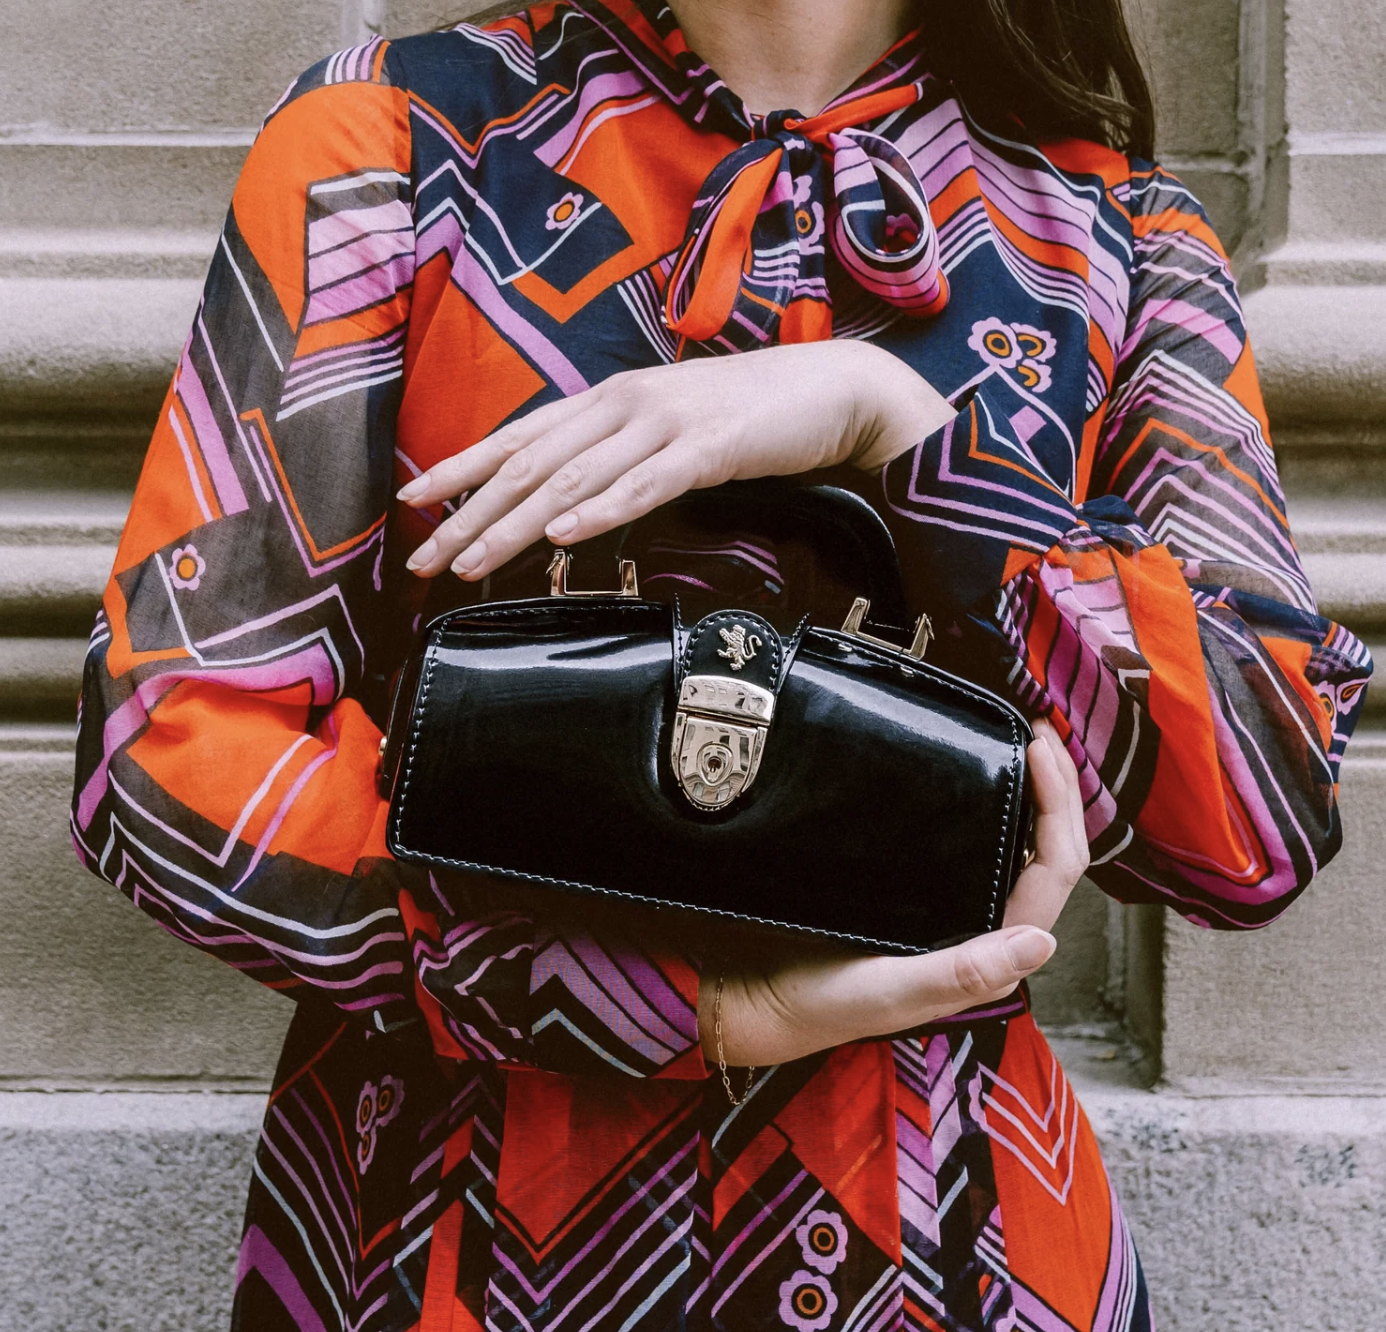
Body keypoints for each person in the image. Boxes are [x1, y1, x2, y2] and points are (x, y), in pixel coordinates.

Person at [70, 0, 1372, 1328]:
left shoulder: (1118, 243)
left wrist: (905, 436)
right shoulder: (390, 151)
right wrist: (658, 1001)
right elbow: (167, 749)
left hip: (950, 1228)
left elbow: (1253, 821)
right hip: (450, 1223)